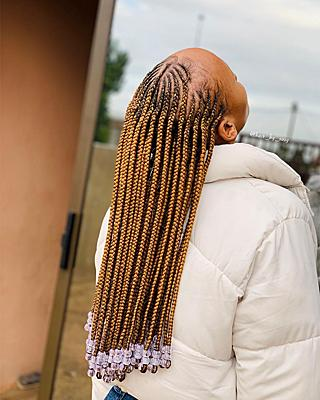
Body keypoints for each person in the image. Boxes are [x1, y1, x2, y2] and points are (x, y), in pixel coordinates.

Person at [85, 48, 320, 400]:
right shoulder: (276, 217)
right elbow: (282, 372)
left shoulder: (127, 208)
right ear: (228, 127)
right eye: (234, 79)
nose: (239, 79)